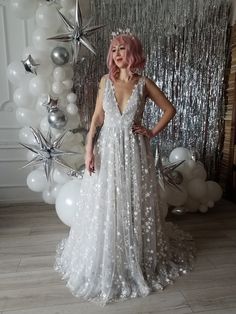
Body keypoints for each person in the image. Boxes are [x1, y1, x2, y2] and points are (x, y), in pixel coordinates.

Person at [54, 31, 195, 306]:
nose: (117, 54)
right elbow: (96, 118)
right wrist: (89, 149)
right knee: (107, 199)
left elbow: (169, 109)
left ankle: (135, 252)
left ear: (132, 52)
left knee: (132, 199)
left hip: (133, 152)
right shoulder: (106, 81)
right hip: (108, 150)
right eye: (114, 50)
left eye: (122, 49)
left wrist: (151, 132)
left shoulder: (144, 83)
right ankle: (108, 252)